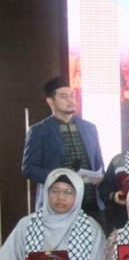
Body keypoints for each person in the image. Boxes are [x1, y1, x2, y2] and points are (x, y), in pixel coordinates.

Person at [23, 77, 105, 225]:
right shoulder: (39, 131)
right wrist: (60, 177)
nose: (71, 100)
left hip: (90, 204)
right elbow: (29, 168)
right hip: (58, 206)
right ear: (50, 101)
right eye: (63, 96)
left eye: (72, 95)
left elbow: (98, 162)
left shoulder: (89, 127)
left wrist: (100, 175)